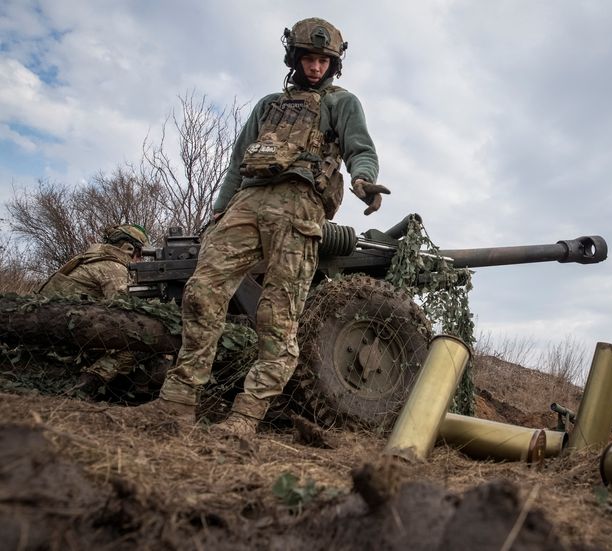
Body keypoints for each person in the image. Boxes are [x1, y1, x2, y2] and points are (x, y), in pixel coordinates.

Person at [143, 17, 390, 433]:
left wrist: (364, 181)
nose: (315, 67)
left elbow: (359, 149)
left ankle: (245, 415)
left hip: (299, 207)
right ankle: (176, 403)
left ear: (333, 64)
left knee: (278, 316)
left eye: (323, 60)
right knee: (202, 292)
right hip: (248, 201)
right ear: (295, 59)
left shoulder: (342, 103)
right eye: (308, 59)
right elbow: (238, 160)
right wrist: (220, 210)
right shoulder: (268, 105)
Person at [39, 224, 150, 392]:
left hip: (55, 330)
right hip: (61, 337)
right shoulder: (113, 267)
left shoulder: (93, 260)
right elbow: (127, 314)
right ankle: (84, 388)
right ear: (128, 248)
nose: (140, 259)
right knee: (138, 342)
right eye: (141, 254)